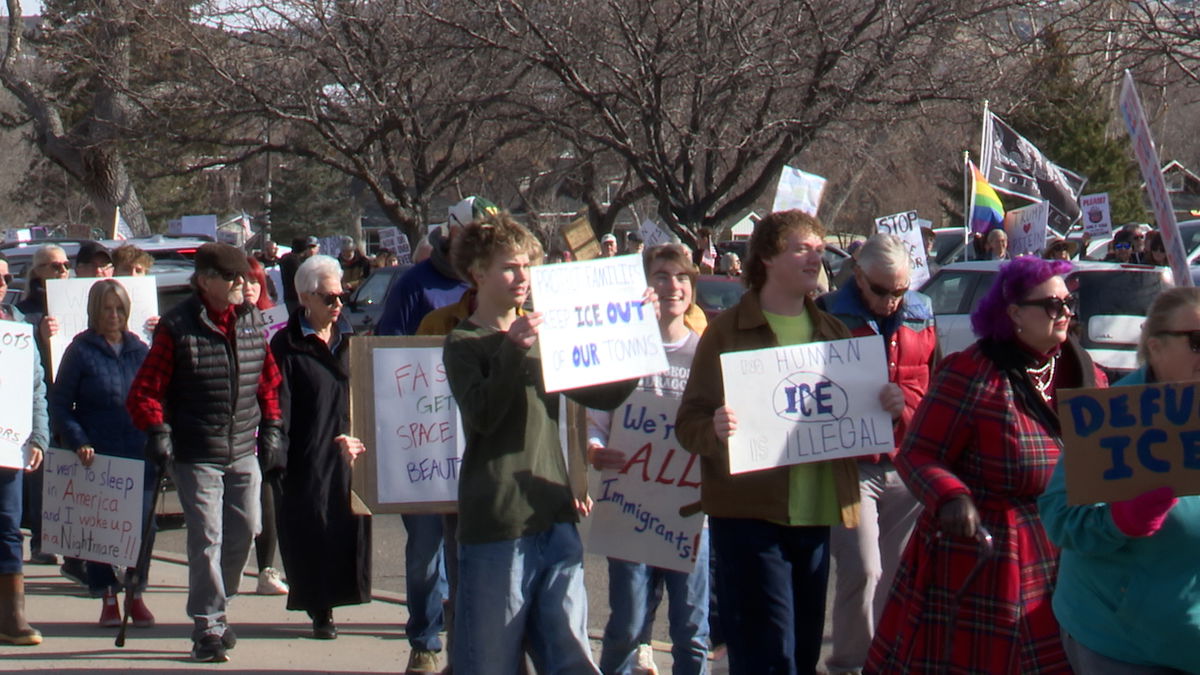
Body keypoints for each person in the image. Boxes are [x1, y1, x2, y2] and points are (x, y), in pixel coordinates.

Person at [865, 256, 1106, 674]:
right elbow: (919, 453)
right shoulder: (973, 373)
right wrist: (951, 496)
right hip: (986, 556)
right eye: (1052, 305)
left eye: (1069, 303)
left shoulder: (1088, 375)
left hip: (1068, 550)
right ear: (1014, 312)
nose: (1065, 313)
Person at [443, 212, 640, 673]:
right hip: (497, 521)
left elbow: (603, 393)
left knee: (570, 657)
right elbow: (483, 416)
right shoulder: (464, 342)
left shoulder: (542, 333)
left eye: (528, 267)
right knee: (491, 661)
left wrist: (635, 340)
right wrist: (511, 349)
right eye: (510, 267)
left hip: (553, 510)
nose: (522, 278)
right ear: (478, 272)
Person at [676, 210, 867, 674]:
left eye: (819, 249)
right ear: (765, 257)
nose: (814, 257)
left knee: (800, 656)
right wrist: (715, 428)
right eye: (801, 248)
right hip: (749, 517)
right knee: (767, 654)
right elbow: (689, 424)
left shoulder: (833, 333)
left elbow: (856, 417)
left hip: (816, 515)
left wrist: (885, 403)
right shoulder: (726, 333)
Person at [126, 242, 284, 663]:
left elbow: (268, 382)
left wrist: (272, 426)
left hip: (241, 447)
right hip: (196, 451)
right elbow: (144, 392)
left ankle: (219, 604)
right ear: (205, 281)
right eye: (232, 278)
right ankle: (208, 626)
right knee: (207, 539)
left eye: (245, 277)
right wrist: (158, 429)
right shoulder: (178, 327)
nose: (241, 285)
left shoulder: (251, 321)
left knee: (246, 528)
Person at [1039, 286, 1200, 674]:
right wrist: (1119, 521)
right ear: (1157, 348)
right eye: (1197, 341)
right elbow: (1059, 517)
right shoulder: (1113, 418)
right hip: (1125, 645)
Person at [376, 195, 495, 674]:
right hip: (424, 446)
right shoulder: (414, 286)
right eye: (474, 236)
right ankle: (425, 642)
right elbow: (385, 360)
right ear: (452, 233)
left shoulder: (495, 290)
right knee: (426, 554)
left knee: (469, 554)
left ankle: (465, 646)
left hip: (475, 448)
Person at [816, 234, 936, 675]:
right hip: (850, 465)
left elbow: (931, 387)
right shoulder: (828, 314)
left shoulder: (922, 315)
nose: (891, 300)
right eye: (881, 290)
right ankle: (850, 663)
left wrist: (904, 400)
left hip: (904, 462)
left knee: (899, 573)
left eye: (900, 290)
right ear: (858, 276)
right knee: (863, 569)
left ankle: (888, 660)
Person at [588, 244, 710, 675]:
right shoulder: (623, 352)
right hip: (628, 506)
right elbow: (596, 421)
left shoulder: (707, 355)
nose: (672, 286)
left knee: (692, 631)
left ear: (692, 288)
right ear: (645, 286)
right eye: (661, 275)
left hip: (690, 514)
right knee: (626, 625)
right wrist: (596, 450)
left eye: (681, 277)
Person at [269, 255, 371, 640]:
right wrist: (278, 454)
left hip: (350, 448)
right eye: (329, 298)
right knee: (311, 527)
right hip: (306, 452)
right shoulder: (287, 344)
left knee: (347, 527)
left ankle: (342, 596)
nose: (338, 304)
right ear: (305, 298)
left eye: (342, 296)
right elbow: (278, 402)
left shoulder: (349, 338)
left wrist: (362, 434)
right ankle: (320, 609)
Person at [48, 279, 156, 628]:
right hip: (97, 453)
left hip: (139, 451)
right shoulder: (80, 351)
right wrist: (78, 439)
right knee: (101, 531)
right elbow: (61, 404)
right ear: (95, 311)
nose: (114, 315)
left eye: (120, 309)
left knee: (143, 527)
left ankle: (135, 593)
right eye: (107, 308)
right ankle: (107, 594)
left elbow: (156, 396)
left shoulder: (140, 350)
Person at [0, 253, 49, 646]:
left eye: (3, 279)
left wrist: (39, 438)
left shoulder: (17, 328)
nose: (0, 285)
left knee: (9, 528)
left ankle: (13, 614)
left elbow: (36, 388)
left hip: (9, 448)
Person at [15, 244, 68, 567]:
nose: (63, 271)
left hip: (74, 398)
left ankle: (77, 543)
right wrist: (40, 336)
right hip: (42, 400)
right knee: (43, 474)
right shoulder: (27, 311)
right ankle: (42, 541)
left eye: (65, 265)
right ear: (38, 273)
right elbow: (22, 359)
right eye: (55, 266)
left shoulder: (81, 300)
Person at [243, 256, 288, 596]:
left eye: (254, 282)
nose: (247, 288)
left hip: (268, 420)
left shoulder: (275, 323)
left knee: (268, 491)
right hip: (234, 422)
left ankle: (266, 568)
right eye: (242, 281)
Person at [280, 236, 319, 313]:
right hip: (297, 297)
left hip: (288, 295)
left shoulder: (285, 258)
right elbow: (300, 278)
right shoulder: (295, 261)